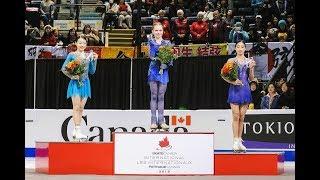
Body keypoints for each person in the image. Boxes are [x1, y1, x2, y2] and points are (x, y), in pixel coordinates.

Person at [221, 40, 256, 152]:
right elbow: (223, 75)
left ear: (245, 49)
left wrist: (251, 68)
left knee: (242, 116)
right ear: (235, 48)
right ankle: (235, 141)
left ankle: (240, 141)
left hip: (245, 89)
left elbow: (251, 78)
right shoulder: (231, 60)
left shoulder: (250, 61)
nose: (240, 49)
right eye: (238, 47)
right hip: (234, 89)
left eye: (242, 47)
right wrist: (232, 81)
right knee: (235, 115)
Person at [61, 37, 98, 141]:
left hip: (85, 83)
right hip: (75, 83)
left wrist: (95, 61)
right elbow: (64, 68)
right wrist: (73, 76)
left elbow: (92, 71)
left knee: (81, 108)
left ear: (86, 45)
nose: (82, 45)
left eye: (84, 43)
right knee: (76, 107)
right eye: (80, 43)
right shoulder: (72, 55)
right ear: (76, 44)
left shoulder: (88, 56)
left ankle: (76, 130)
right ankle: (78, 130)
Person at [147, 22, 173, 132]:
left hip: (163, 71)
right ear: (153, 31)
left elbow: (170, 57)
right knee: (154, 95)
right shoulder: (151, 42)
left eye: (160, 30)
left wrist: (166, 63)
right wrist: (158, 60)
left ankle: (161, 121)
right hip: (153, 70)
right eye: (156, 30)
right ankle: (153, 121)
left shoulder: (167, 43)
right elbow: (151, 56)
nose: (158, 32)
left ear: (163, 31)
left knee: (161, 96)